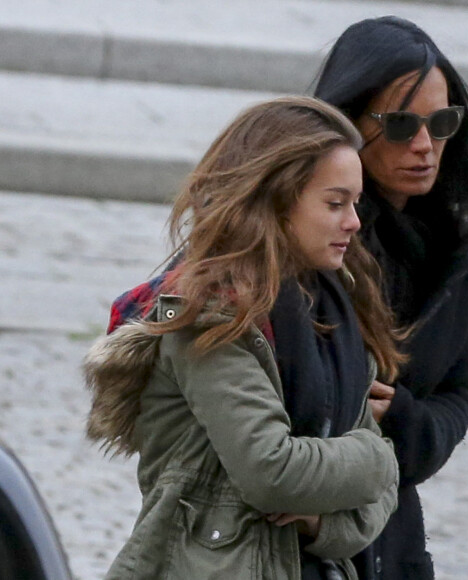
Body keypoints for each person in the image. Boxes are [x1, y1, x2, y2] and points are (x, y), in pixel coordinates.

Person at [83, 96, 404, 580]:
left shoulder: (335, 309)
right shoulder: (208, 314)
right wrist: (377, 456)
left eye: (355, 204)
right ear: (276, 201)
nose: (354, 222)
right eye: (335, 203)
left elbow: (380, 501)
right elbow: (271, 471)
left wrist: (319, 522)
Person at [314, 16, 468, 580]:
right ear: (348, 120)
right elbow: (181, 300)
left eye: (441, 123)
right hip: (286, 526)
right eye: (400, 125)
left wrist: (404, 417)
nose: (424, 146)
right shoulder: (302, 223)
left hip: (390, 534)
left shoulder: (457, 250)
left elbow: (458, 395)